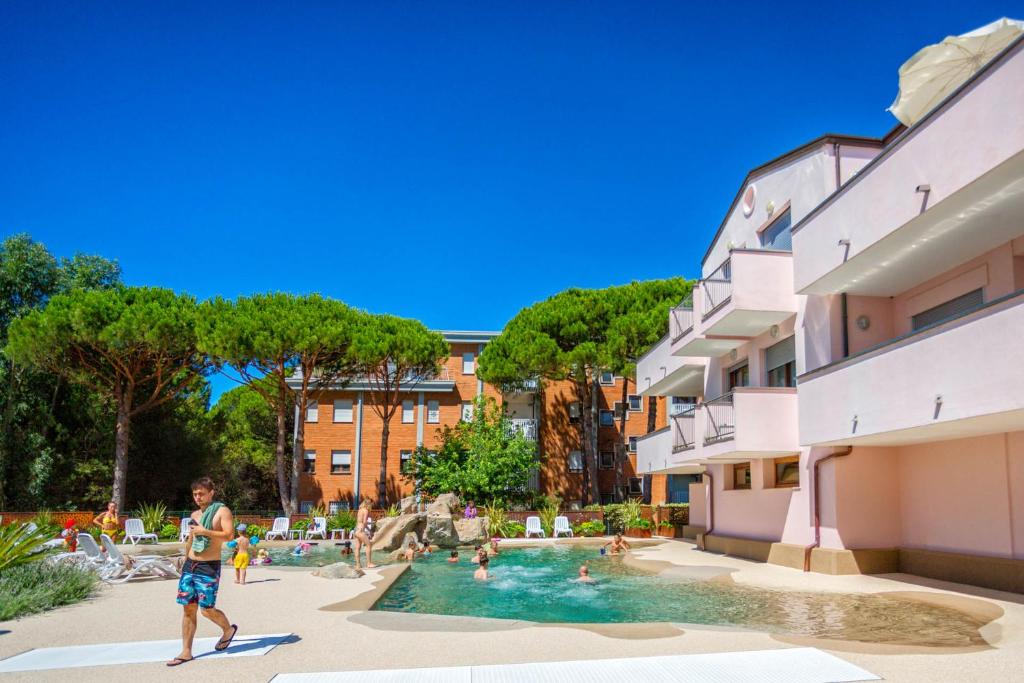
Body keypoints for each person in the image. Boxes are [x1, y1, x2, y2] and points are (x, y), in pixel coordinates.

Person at [167, 476, 238, 667]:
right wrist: (184, 557)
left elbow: (229, 536)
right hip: (191, 565)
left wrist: (205, 531)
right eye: (195, 494)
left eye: (201, 494)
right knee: (188, 608)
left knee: (207, 610)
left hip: (208, 566)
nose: (198, 497)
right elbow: (191, 537)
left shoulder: (222, 511)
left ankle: (228, 629)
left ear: (211, 493)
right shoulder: (194, 515)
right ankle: (186, 652)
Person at [352, 499, 377, 569]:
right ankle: (369, 563)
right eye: (371, 505)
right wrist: (370, 527)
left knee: (357, 548)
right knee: (369, 545)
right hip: (360, 531)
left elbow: (360, 521)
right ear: (368, 504)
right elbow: (365, 522)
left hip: (355, 530)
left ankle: (358, 565)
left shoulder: (360, 510)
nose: (371, 506)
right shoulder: (365, 510)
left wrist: (369, 529)